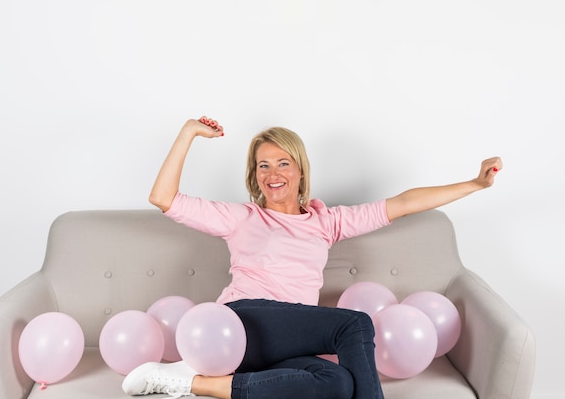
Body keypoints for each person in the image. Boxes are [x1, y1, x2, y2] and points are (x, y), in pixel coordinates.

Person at [122, 116, 502, 399]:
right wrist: (188, 132)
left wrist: (475, 183)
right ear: (254, 176)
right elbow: (163, 198)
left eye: (283, 163)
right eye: (263, 165)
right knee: (354, 325)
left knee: (337, 382)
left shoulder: (327, 222)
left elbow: (403, 203)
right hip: (244, 322)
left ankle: (191, 383)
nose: (273, 173)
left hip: (284, 346)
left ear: (301, 170)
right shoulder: (243, 218)